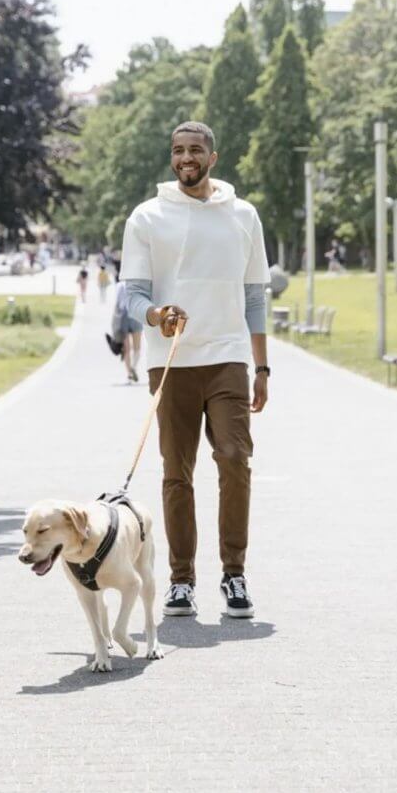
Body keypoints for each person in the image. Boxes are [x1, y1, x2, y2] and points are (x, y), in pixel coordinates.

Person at [121, 121, 270, 621]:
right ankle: (181, 581)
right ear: (172, 159)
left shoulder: (243, 215)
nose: (186, 157)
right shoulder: (147, 216)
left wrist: (263, 366)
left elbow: (254, 297)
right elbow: (132, 294)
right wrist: (156, 315)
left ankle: (234, 574)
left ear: (213, 156)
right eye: (178, 150)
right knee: (175, 474)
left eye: (196, 150)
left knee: (234, 460)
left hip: (228, 357)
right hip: (172, 362)